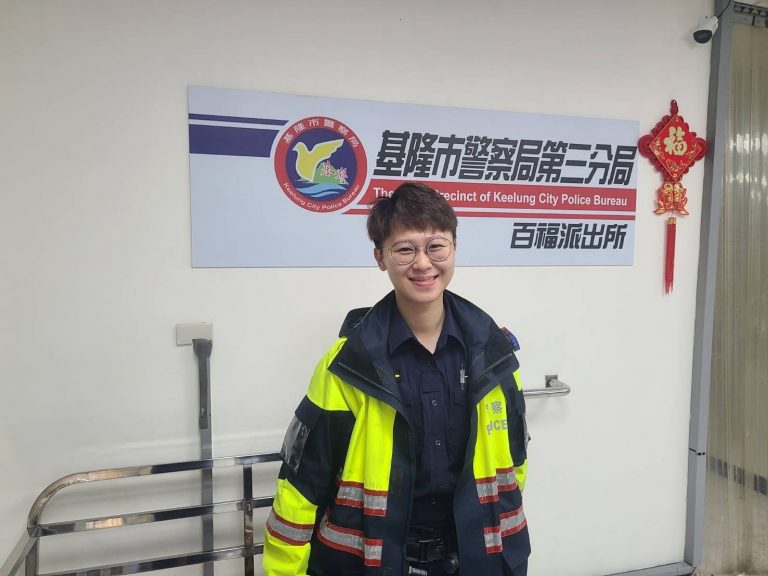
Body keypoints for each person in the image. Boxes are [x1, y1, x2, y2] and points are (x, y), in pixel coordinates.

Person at [263, 182, 530, 576]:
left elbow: (515, 465)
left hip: (481, 561)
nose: (423, 264)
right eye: (405, 249)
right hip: (373, 564)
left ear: (454, 248)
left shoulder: (494, 353)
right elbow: (301, 486)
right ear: (380, 257)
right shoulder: (347, 364)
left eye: (436, 246)